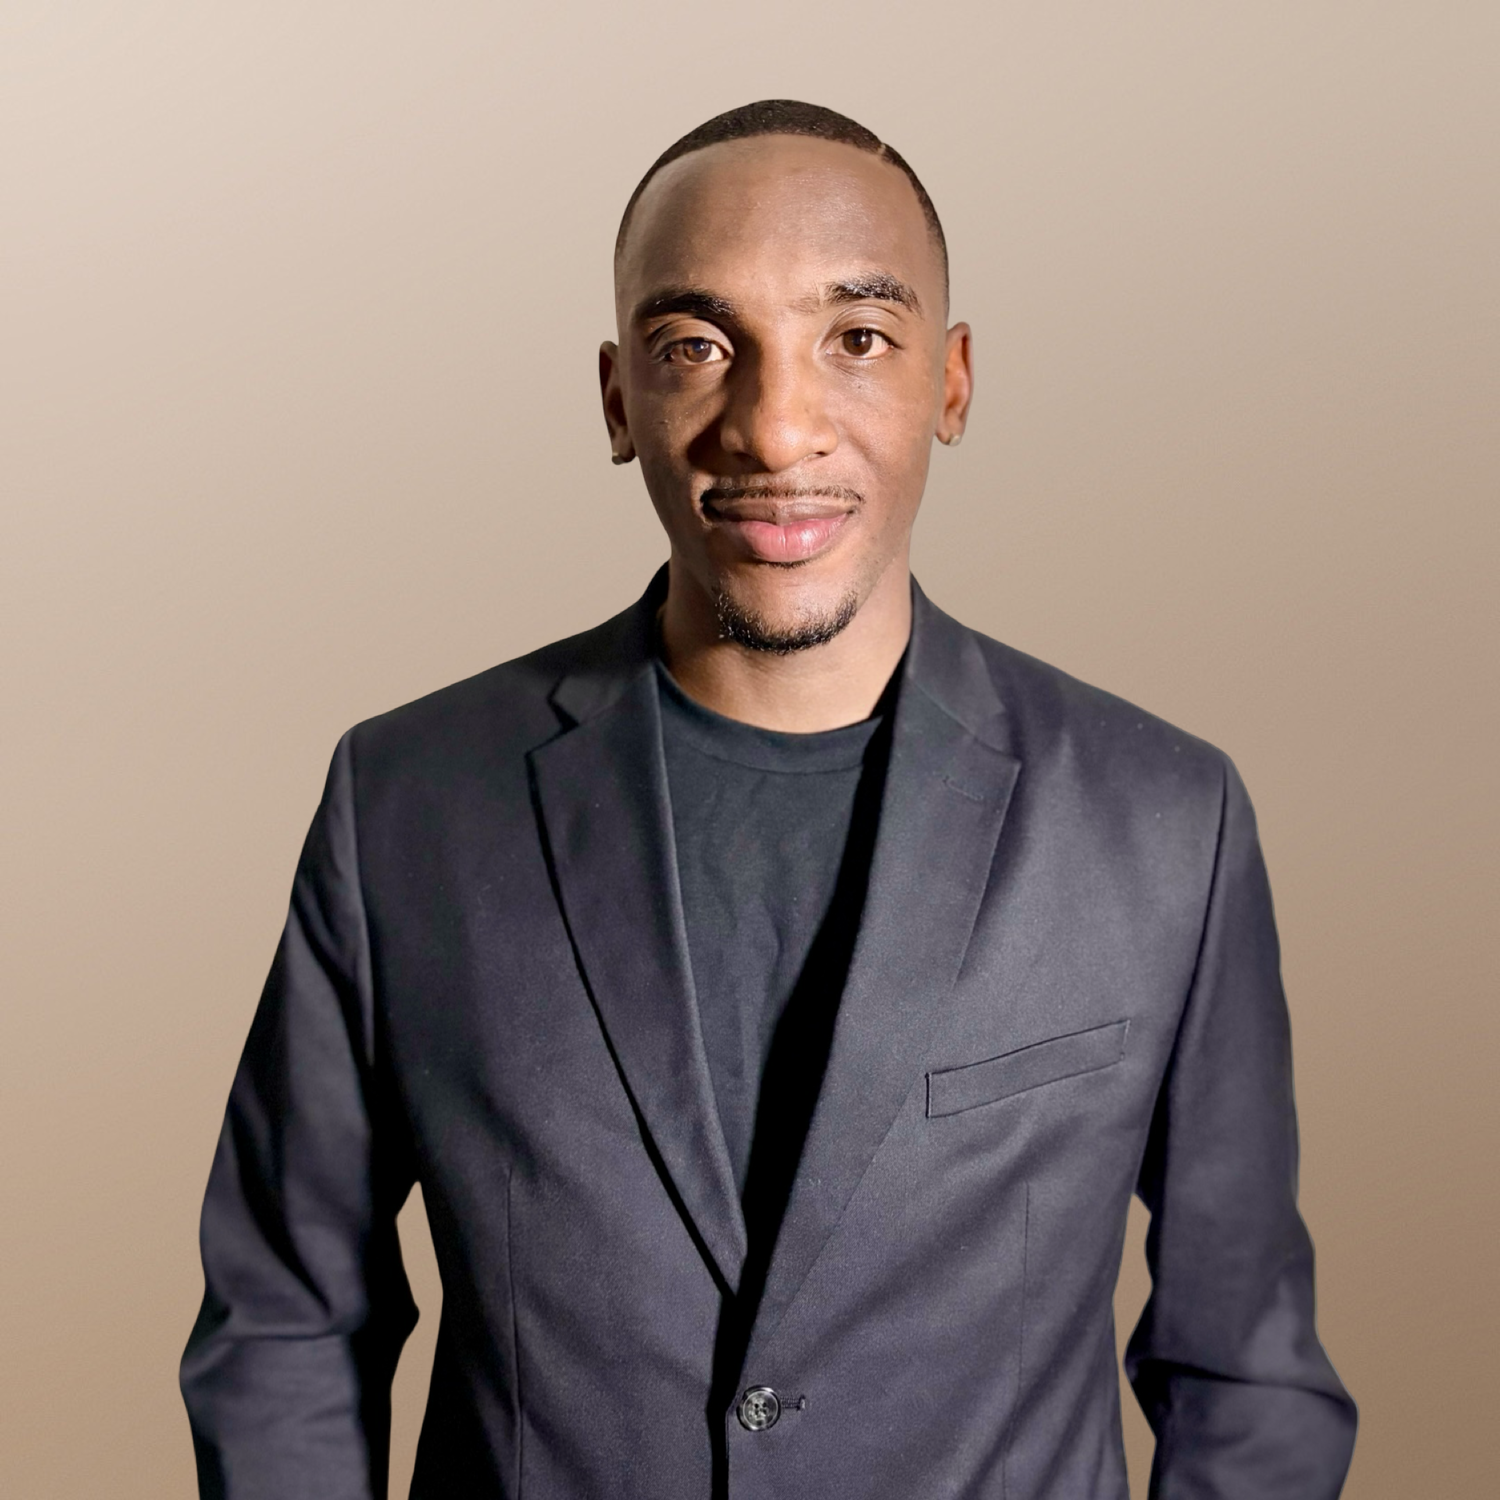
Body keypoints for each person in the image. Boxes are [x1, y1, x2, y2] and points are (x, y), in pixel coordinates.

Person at [181, 100, 1356, 1499]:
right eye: (697, 345)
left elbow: (1247, 1370)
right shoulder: (405, 805)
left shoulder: (1164, 820)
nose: (775, 427)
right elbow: (284, 1324)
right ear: (618, 398)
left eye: (856, 338)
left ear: (953, 383)